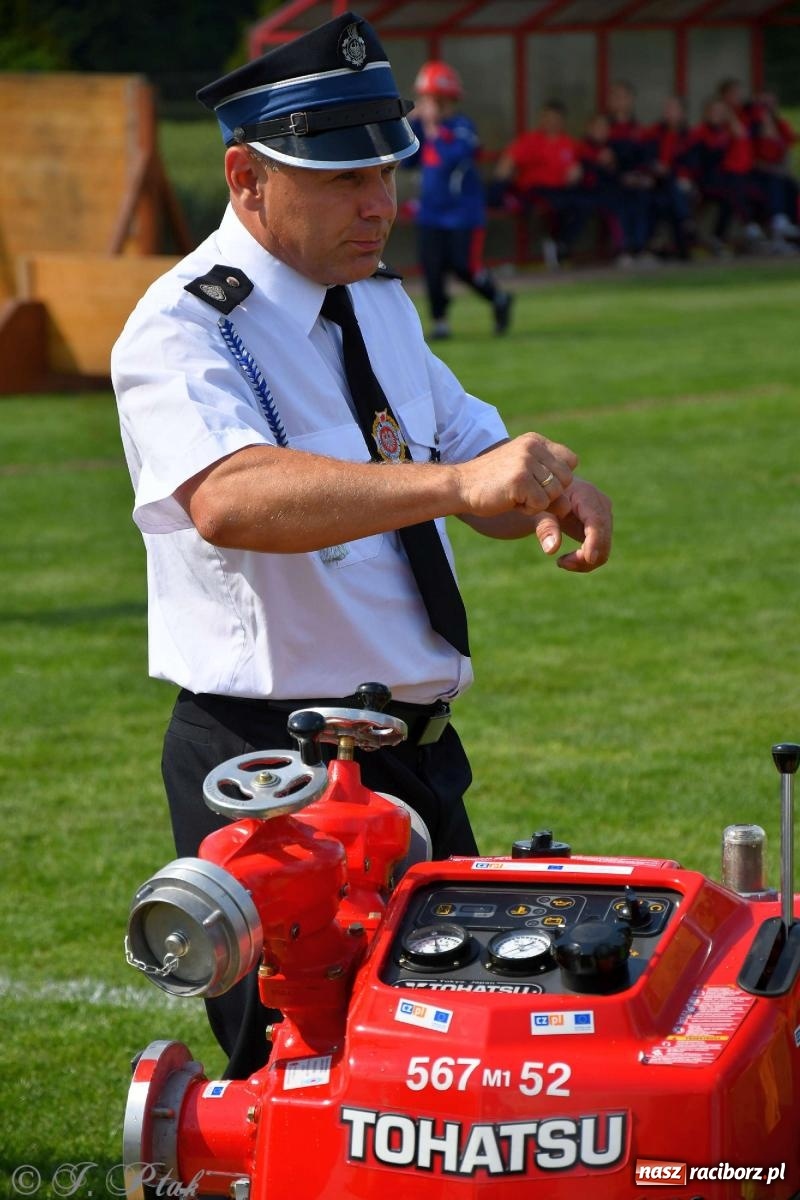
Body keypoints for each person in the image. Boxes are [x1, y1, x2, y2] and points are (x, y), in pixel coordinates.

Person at [112, 11, 612, 1080]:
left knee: (450, 1061)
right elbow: (231, 498)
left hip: (415, 762)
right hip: (276, 774)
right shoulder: (181, 327)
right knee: (300, 1088)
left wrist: (542, 491)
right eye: (341, 179)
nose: (380, 202)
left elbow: (472, 461)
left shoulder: (375, 303)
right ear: (246, 178)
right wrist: (452, 482)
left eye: (384, 171)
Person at [406, 59, 513, 340]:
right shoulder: (422, 131)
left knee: (463, 266)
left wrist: (432, 129)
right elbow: (407, 161)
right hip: (430, 212)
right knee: (432, 266)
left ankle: (498, 298)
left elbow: (457, 155)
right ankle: (440, 321)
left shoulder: (462, 126)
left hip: (463, 213)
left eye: (429, 99)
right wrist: (409, 127)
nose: (424, 104)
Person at [492, 100, 588, 267]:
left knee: (580, 205)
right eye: (547, 118)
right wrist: (500, 180)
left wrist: (577, 172)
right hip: (534, 190)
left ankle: (561, 245)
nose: (551, 122)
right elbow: (508, 162)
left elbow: (579, 165)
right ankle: (553, 246)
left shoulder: (569, 143)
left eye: (555, 119)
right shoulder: (530, 140)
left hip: (561, 189)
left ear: (562, 121)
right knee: (550, 207)